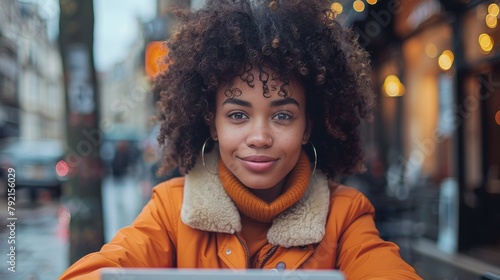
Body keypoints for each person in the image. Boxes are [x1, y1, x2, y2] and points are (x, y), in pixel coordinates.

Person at [60, 0, 422, 279]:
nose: (260, 137)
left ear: (308, 126)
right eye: (238, 115)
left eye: (282, 115)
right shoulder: (171, 211)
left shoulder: (345, 216)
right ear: (212, 124)